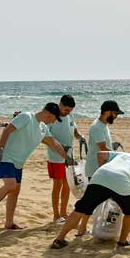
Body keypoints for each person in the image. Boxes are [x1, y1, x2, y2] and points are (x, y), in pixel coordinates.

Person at [0, 103, 72, 229]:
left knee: (15, 191)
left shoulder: (43, 128)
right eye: (53, 118)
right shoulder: (27, 117)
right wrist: (0, 150)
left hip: (19, 163)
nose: (53, 121)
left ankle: (9, 223)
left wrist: (67, 158)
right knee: (11, 185)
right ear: (48, 114)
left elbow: (54, 144)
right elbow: (7, 129)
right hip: (6, 157)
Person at [51, 152, 130, 249]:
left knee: (80, 209)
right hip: (122, 181)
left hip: (100, 175)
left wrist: (106, 177)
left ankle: (59, 239)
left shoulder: (126, 155)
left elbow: (100, 155)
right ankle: (122, 241)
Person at [76, 100, 124, 235]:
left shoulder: (104, 126)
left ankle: (89, 227)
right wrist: (120, 157)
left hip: (103, 168)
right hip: (96, 169)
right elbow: (103, 149)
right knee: (92, 201)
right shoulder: (97, 127)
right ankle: (82, 228)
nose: (116, 117)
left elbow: (106, 147)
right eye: (115, 114)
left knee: (103, 198)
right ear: (108, 112)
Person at [46, 95, 86, 223]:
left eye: (70, 111)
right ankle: (56, 215)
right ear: (60, 105)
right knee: (57, 185)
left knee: (68, 184)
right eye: (66, 110)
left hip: (69, 156)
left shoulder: (70, 116)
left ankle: (63, 213)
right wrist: (60, 146)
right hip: (55, 157)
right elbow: (44, 138)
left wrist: (80, 137)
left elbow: (74, 131)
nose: (67, 112)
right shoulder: (52, 117)